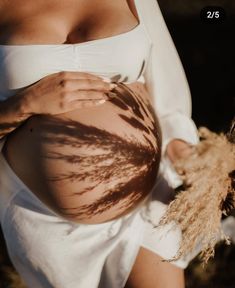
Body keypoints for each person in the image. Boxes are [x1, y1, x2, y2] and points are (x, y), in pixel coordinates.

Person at [0, 0, 199, 287]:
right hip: (48, 221)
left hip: (148, 200)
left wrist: (187, 154)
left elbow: (164, 78)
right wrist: (24, 105)